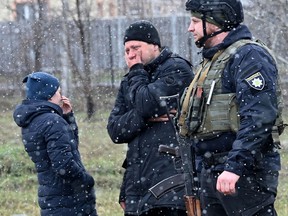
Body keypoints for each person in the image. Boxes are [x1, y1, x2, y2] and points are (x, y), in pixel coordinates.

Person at [177, 0, 285, 215]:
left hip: (243, 175)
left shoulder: (249, 56)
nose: (190, 28)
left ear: (217, 21)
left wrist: (235, 166)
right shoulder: (212, 61)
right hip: (213, 173)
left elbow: (259, 117)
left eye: (196, 21)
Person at [107, 20, 194, 216]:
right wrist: (145, 116)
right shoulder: (129, 80)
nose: (131, 55)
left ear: (155, 46)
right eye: (127, 50)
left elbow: (146, 103)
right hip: (137, 187)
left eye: (136, 48)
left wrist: (137, 72)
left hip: (171, 186)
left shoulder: (177, 69)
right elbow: (115, 130)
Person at [13, 72, 97, 216]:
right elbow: (64, 165)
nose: (60, 96)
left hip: (51, 197)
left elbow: (69, 146)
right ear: (49, 95)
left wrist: (67, 116)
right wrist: (85, 180)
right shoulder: (53, 121)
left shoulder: (33, 120)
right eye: (58, 91)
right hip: (69, 199)